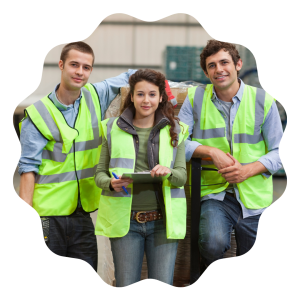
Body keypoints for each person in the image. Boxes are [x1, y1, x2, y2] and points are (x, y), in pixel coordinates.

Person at [17, 41, 137, 271]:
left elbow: (133, 75)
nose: (80, 72)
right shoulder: (38, 115)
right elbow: (28, 170)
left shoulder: (95, 96)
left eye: (86, 67)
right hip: (47, 215)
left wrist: (166, 91)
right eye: (74, 65)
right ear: (61, 65)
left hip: (81, 212)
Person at [178, 40, 284, 267]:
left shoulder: (263, 101)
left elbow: (279, 152)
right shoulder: (195, 98)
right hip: (215, 193)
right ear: (206, 73)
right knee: (212, 243)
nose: (219, 69)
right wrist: (210, 152)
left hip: (254, 194)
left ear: (238, 64)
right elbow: (177, 142)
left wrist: (247, 171)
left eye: (224, 62)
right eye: (212, 65)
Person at [94, 69, 189, 287]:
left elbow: (182, 177)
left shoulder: (176, 130)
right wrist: (110, 183)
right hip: (125, 223)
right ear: (132, 97)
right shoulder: (111, 128)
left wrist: (169, 172)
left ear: (161, 97)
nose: (146, 100)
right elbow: (99, 174)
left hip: (162, 224)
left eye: (152, 94)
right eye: (140, 94)